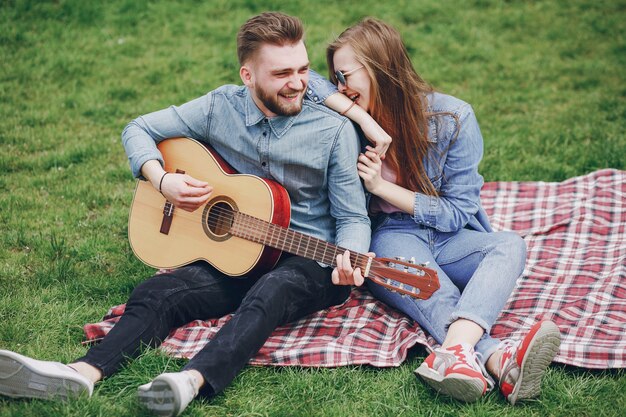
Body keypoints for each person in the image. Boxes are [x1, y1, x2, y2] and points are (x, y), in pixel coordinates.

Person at [0, 12, 372, 416]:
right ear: (247, 76)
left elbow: (353, 218)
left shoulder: (333, 131)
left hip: (308, 257)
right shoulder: (218, 107)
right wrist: (162, 181)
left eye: (303, 69)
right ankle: (80, 374)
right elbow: (138, 128)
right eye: (282, 73)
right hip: (237, 251)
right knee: (156, 293)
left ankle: (189, 382)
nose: (298, 83)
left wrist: (349, 261)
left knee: (273, 291)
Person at [307, 18, 562, 404]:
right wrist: (362, 119)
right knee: (434, 291)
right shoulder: (350, 120)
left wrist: (380, 186)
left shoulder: (452, 118)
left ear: (380, 69)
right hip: (393, 237)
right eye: (336, 78)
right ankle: (499, 359)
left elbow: (458, 213)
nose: (340, 88)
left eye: (345, 76)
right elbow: (302, 79)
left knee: (509, 245)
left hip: (450, 236)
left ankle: (458, 354)